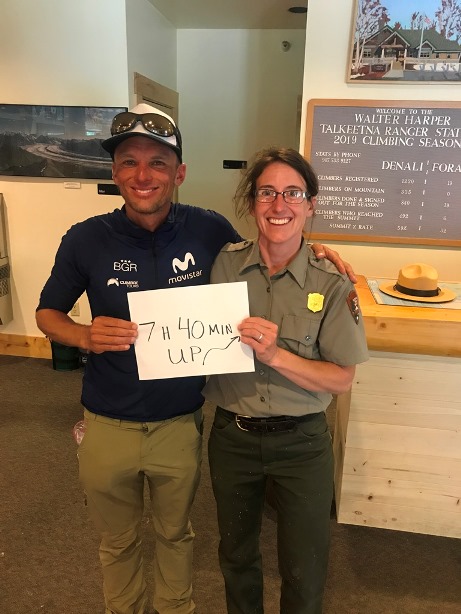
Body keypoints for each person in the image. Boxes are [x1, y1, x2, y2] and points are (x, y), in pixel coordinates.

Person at [35, 104, 356, 614]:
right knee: (115, 543)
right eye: (130, 162)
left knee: (177, 536)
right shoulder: (85, 238)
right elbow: (47, 314)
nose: (144, 175)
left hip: (181, 421)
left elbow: (270, 247)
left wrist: (321, 254)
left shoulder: (208, 232)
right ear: (114, 171)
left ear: (179, 173)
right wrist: (82, 335)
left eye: (158, 163)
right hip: (106, 418)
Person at [204, 147, 369, 614]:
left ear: (310, 203)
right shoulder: (221, 266)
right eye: (267, 193)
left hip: (302, 444)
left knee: (304, 565)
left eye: (293, 193)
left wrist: (276, 355)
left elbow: (341, 378)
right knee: (236, 555)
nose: (280, 205)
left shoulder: (331, 282)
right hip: (232, 438)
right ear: (252, 202)